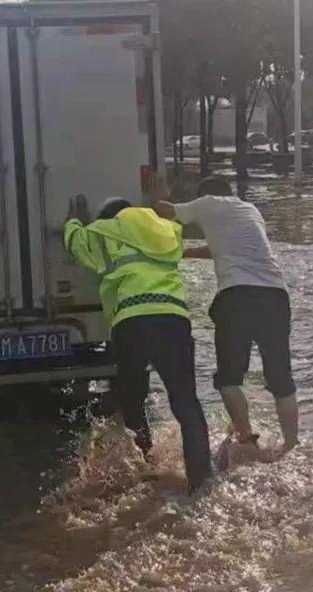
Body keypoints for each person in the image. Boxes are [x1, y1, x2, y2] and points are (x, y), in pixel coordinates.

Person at [64, 195, 213, 494]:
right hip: (173, 319)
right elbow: (174, 223)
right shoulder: (166, 231)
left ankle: (145, 466)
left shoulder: (100, 233)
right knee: (186, 404)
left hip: (131, 321)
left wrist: (73, 220)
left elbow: (75, 244)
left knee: (132, 400)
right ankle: (202, 482)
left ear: (107, 219)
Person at [154, 176, 298, 450]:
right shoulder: (250, 210)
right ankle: (291, 444)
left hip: (237, 298)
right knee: (280, 376)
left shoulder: (208, 203)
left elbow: (166, 210)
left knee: (228, 379)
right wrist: (186, 254)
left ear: (206, 194)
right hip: (276, 295)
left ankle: (245, 438)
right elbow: (223, 249)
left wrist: (151, 196)